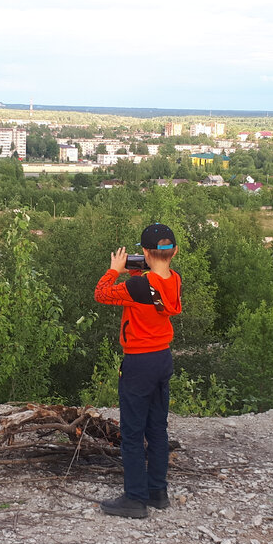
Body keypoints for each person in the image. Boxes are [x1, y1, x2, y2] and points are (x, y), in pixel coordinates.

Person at [93, 222, 183, 518]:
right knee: (157, 428)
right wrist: (137, 273)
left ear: (145, 252)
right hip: (162, 359)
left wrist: (115, 269)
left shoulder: (137, 286)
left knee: (132, 433)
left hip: (138, 363)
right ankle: (158, 492)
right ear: (174, 252)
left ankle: (135, 499)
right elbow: (150, 295)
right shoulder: (174, 280)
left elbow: (102, 294)